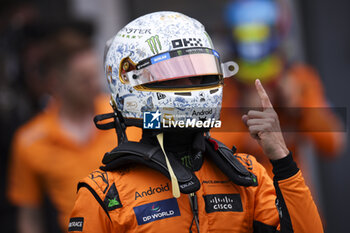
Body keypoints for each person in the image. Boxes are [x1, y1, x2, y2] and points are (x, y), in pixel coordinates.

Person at [69, 11, 323, 232]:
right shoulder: (105, 194)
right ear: (130, 81)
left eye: (199, 75)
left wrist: (282, 160)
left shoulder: (248, 176)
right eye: (174, 75)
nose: (193, 87)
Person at [7, 30, 140, 233]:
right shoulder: (30, 139)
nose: (95, 85)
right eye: (83, 80)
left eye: (95, 76)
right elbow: (30, 216)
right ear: (55, 82)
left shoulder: (125, 116)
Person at [212, 0, 345, 178]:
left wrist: (299, 107)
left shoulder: (300, 79)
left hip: (292, 195)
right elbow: (210, 149)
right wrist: (243, 115)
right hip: (245, 196)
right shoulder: (223, 89)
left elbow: (333, 144)